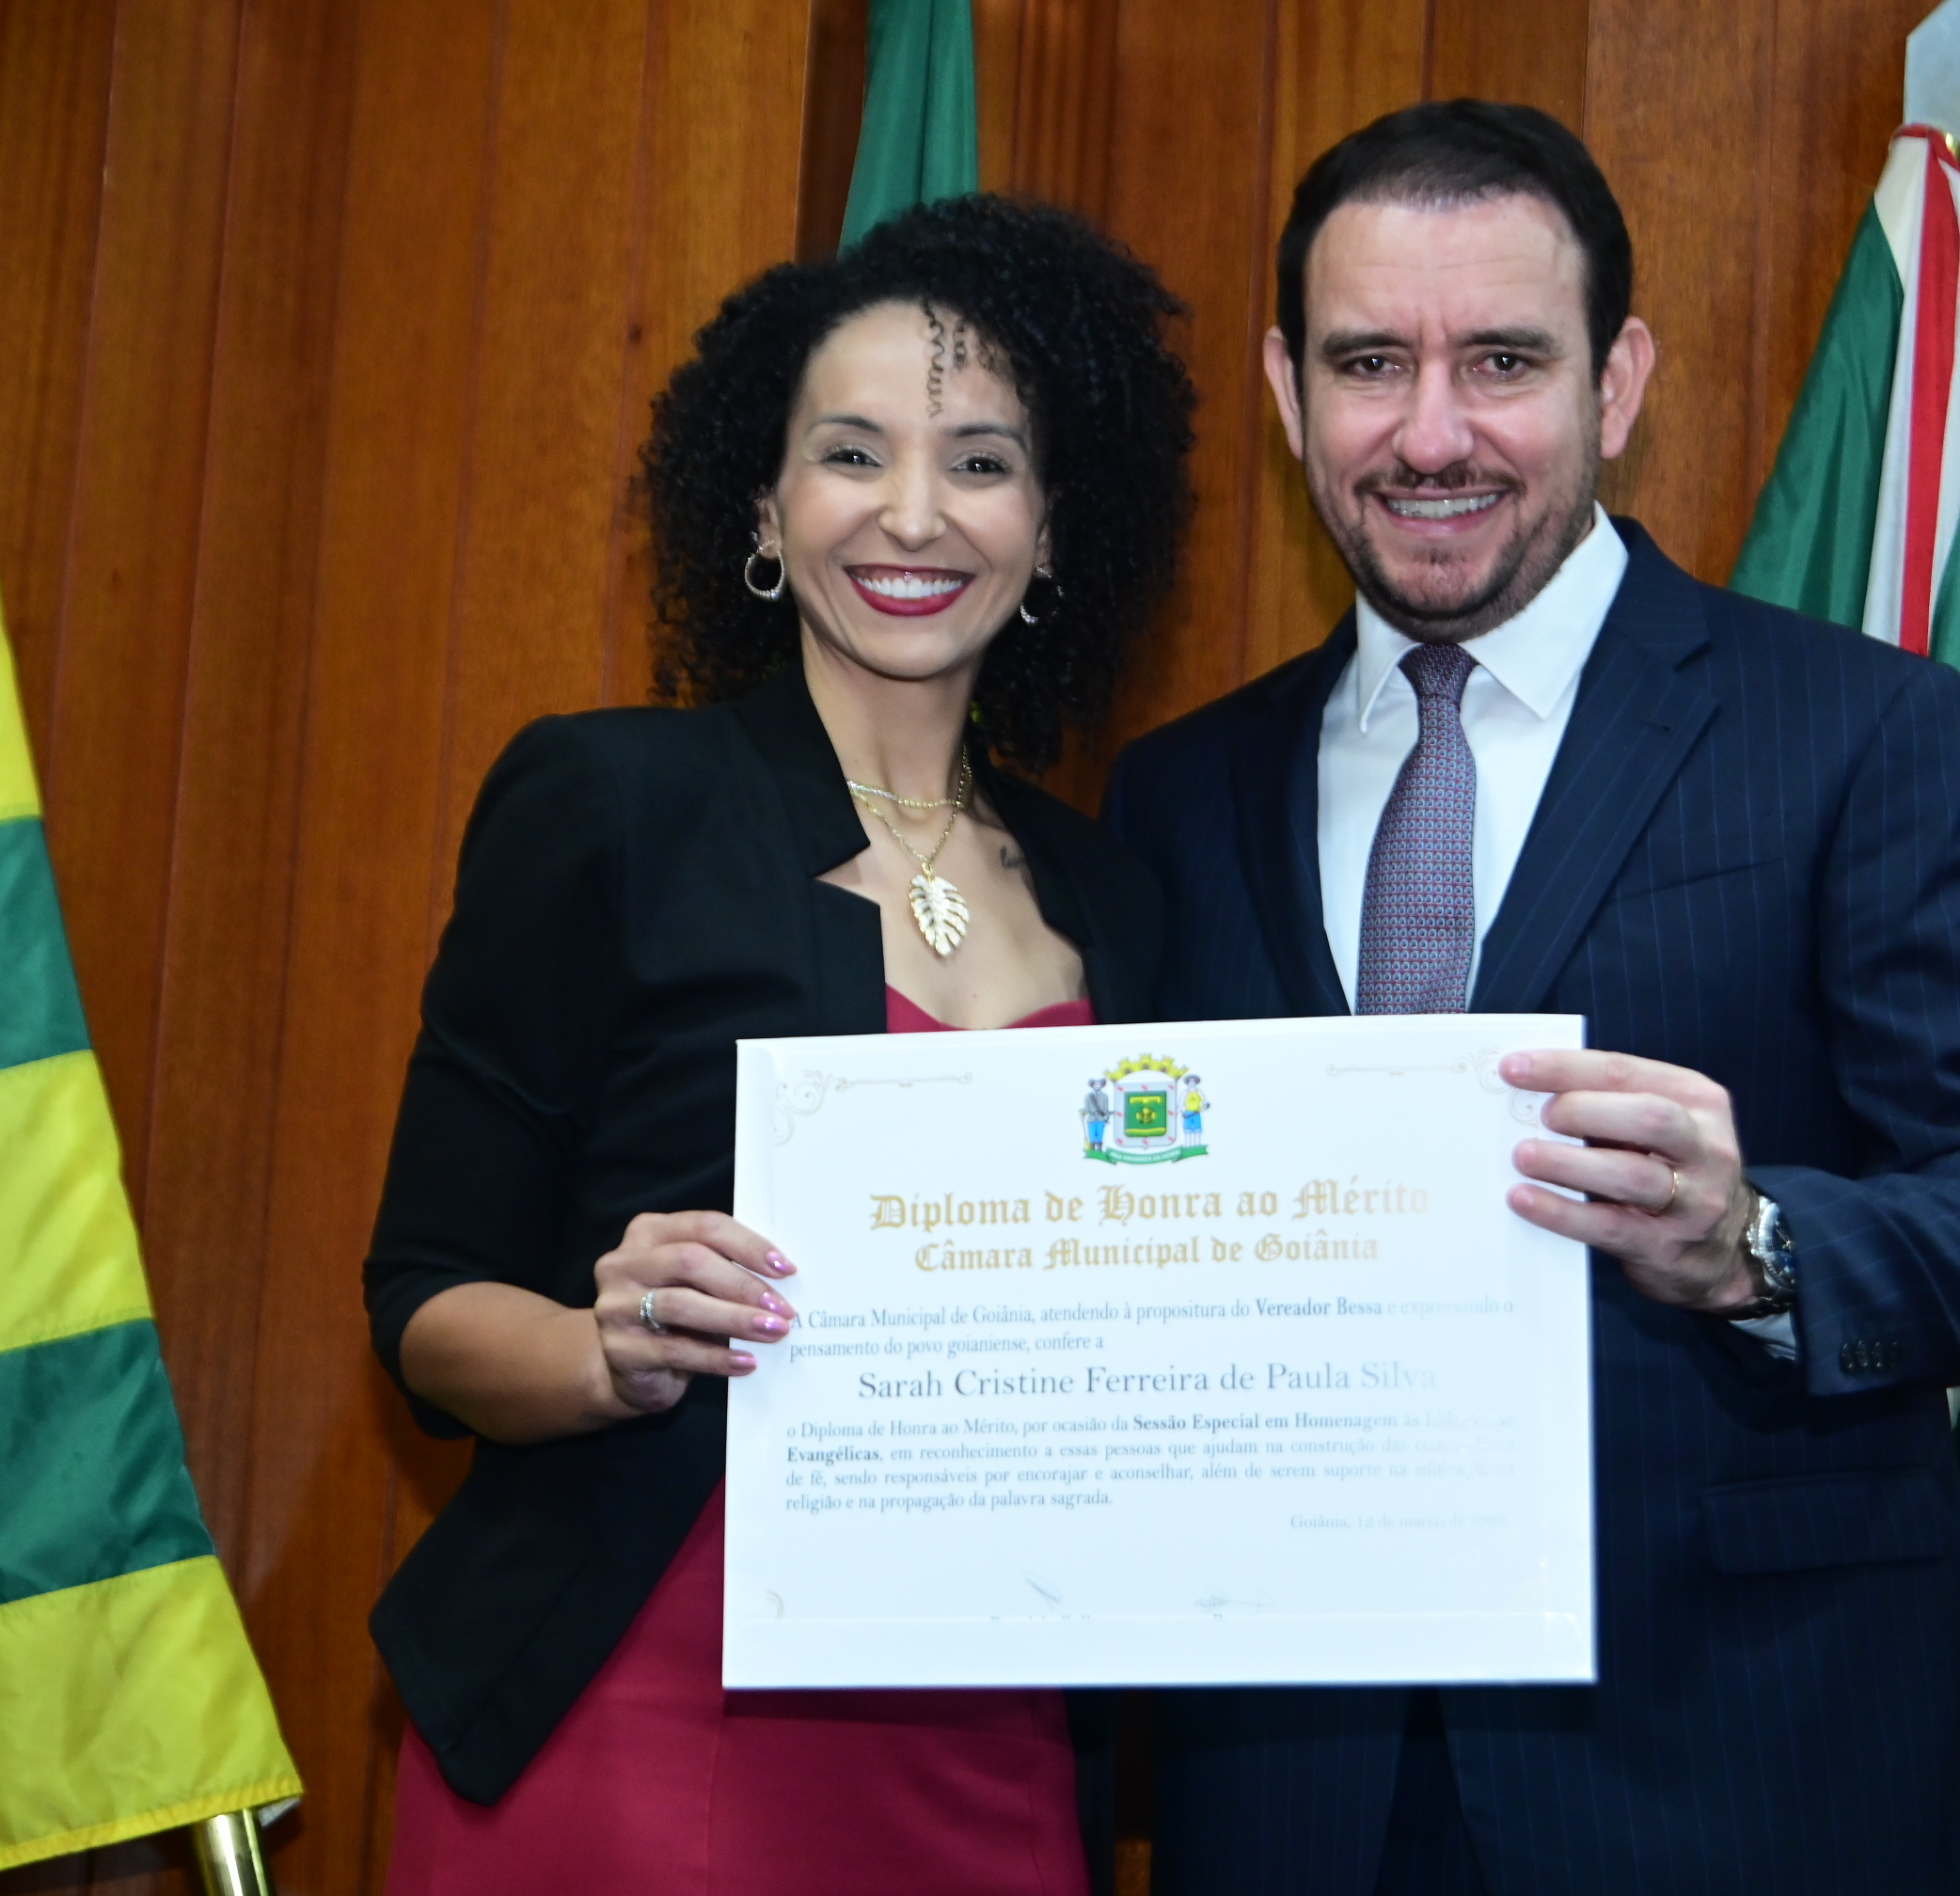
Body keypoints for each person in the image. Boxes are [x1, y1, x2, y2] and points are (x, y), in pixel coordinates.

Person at [1106, 101, 1960, 1896]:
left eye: (1503, 361)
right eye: (1369, 363)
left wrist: (1754, 1244)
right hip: (1297, 1800)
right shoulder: (1177, 796)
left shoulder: (1854, 732)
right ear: (1286, 392)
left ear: (1617, 382)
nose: (1431, 434)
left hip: (1739, 1784)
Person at [364, 194, 1193, 1896]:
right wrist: (607, 1352)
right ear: (763, 500)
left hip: (1001, 1740)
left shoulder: (1119, 892)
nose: (914, 513)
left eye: (981, 462)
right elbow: (425, 1302)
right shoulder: (610, 804)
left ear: (1053, 527)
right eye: (851, 454)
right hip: (641, 1721)